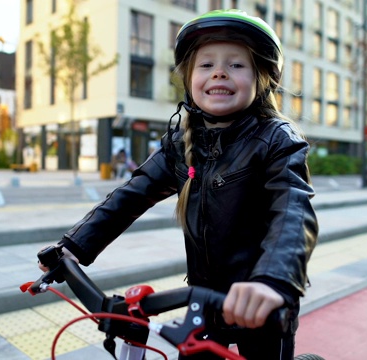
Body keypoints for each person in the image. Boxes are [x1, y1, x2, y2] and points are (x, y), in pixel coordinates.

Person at [38, 9, 318, 359]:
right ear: (189, 79)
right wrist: (72, 248)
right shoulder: (180, 143)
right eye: (206, 65)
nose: (219, 71)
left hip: (259, 301)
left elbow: (292, 210)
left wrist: (274, 280)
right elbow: (132, 194)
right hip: (203, 300)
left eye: (236, 64)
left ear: (261, 79)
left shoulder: (276, 139)